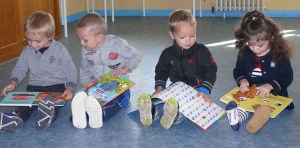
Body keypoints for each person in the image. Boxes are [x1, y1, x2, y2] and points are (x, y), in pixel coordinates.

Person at [137, 9, 217, 129]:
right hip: (176, 87)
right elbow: (161, 71)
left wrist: (204, 89)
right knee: (165, 100)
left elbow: (211, 70)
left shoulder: (201, 51)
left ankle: (175, 116)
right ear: (172, 35)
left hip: (197, 88)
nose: (188, 40)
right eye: (182, 37)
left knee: (188, 106)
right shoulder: (167, 53)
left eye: (192, 35)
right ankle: (152, 112)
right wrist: (160, 88)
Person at [0, 11, 77, 132]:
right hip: (35, 86)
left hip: (57, 86)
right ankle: (15, 118)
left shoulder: (60, 50)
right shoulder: (27, 51)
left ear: (50, 35)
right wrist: (13, 82)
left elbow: (70, 69)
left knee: (53, 105)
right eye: (29, 40)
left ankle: (47, 117)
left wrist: (70, 87)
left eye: (38, 41)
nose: (33, 45)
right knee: (26, 105)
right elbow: (20, 68)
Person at [226, 10, 294, 133]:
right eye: (250, 45)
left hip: (274, 95)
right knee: (244, 105)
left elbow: (287, 76)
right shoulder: (245, 52)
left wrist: (270, 86)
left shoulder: (279, 54)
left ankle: (258, 119)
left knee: (265, 108)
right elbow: (238, 70)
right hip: (251, 93)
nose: (255, 49)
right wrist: (242, 80)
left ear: (271, 39)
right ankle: (237, 119)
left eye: (260, 45)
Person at [71, 12, 141, 129]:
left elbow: (136, 56)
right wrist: (87, 86)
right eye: (80, 39)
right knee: (90, 101)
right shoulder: (86, 49)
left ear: (99, 37)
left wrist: (125, 68)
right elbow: (85, 68)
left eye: (85, 40)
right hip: (97, 87)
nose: (81, 43)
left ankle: (101, 114)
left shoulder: (118, 44)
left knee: (118, 101)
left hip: (119, 87)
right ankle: (79, 115)